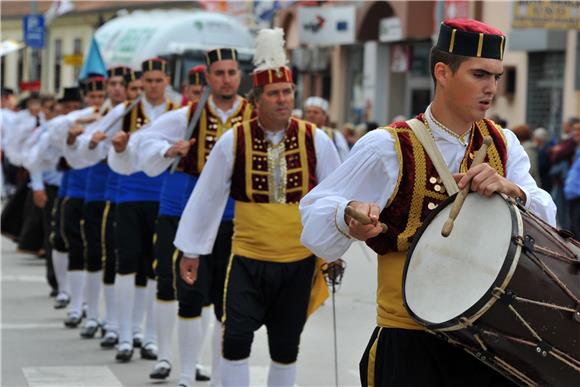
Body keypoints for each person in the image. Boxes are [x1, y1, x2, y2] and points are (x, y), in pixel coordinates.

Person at [299, 19, 556, 387]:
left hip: (487, 343)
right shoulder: (388, 147)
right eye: (479, 74)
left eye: (496, 77)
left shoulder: (504, 144)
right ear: (442, 72)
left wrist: (511, 189)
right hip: (409, 340)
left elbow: (547, 216)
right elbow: (314, 213)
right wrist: (347, 214)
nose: (491, 88)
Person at [175, 28, 339, 387]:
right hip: (247, 259)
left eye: (287, 92)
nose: (283, 99)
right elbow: (207, 198)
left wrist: (334, 251)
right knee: (235, 340)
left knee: (285, 347)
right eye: (274, 93)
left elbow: (336, 196)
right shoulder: (234, 140)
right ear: (257, 99)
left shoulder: (316, 139)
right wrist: (192, 249)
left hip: (297, 263)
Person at [106, 58, 179, 362]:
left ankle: (148, 337)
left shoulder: (180, 114)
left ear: (166, 81)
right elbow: (98, 147)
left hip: (164, 198)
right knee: (126, 263)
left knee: (157, 267)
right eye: (147, 81)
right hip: (129, 196)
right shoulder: (124, 112)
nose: (152, 86)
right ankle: (125, 335)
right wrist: (118, 147)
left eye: (157, 80)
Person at [303, 96, 349, 161]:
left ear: (324, 116)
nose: (311, 115)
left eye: (315, 112)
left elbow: (344, 158)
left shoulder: (334, 135)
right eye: (308, 112)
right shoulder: (298, 132)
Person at [564, 121, 580, 237]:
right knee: (573, 228)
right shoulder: (577, 149)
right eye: (575, 130)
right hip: (573, 195)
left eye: (579, 130)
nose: (576, 133)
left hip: (578, 195)